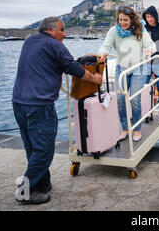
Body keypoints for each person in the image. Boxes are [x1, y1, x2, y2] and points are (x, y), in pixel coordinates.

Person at [13, 17, 102, 205]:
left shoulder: (30, 41)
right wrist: (95, 79)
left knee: (32, 147)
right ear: (50, 30)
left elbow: (45, 63)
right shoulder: (55, 44)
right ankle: (26, 191)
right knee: (44, 149)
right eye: (62, 29)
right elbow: (72, 67)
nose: (65, 33)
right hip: (39, 105)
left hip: (19, 102)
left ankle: (42, 184)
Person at [98, 6, 156, 142]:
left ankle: (136, 129)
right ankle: (125, 128)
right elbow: (105, 46)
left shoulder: (140, 29)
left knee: (135, 100)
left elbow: (151, 45)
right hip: (121, 69)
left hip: (138, 68)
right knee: (120, 100)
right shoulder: (114, 31)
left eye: (125, 20)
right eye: (120, 20)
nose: (123, 23)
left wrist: (149, 51)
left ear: (131, 19)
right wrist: (102, 54)